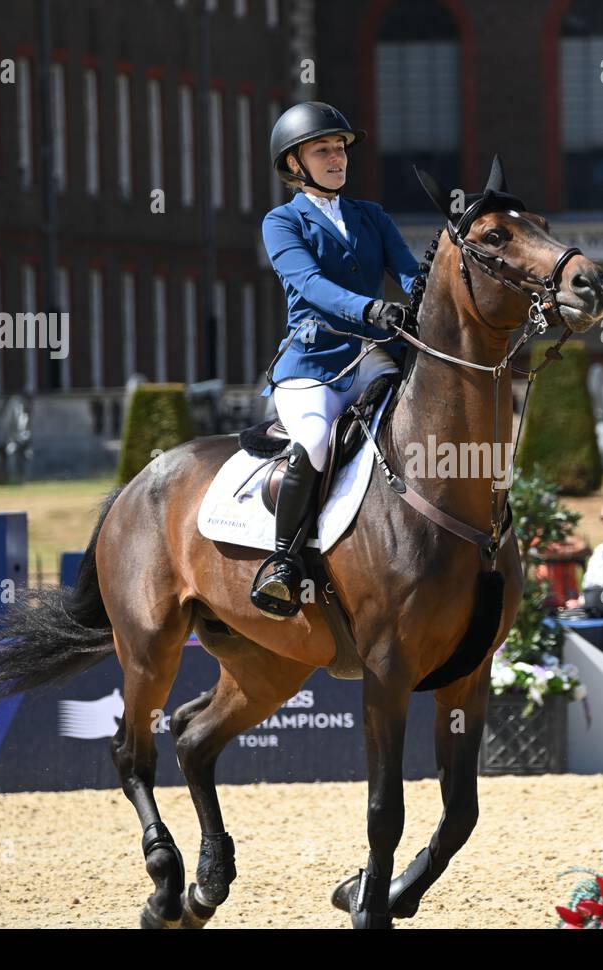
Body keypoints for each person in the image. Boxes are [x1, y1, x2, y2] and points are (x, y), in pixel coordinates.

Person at [251, 100, 418, 620]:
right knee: (317, 441)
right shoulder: (281, 222)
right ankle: (282, 563)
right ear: (295, 164)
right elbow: (310, 285)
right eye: (323, 150)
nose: (337, 158)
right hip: (313, 362)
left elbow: (412, 276)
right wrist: (370, 307)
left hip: (371, 356)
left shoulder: (372, 216)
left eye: (340, 148)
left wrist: (431, 310)